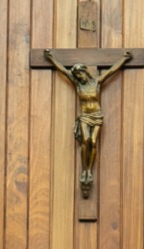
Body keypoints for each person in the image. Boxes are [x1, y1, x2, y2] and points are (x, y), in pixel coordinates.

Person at [43, 49, 132, 197]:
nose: (79, 76)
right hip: (84, 116)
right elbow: (63, 71)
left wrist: (124, 59)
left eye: (80, 74)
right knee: (85, 141)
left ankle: (89, 170)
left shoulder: (96, 82)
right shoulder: (78, 85)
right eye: (77, 75)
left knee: (93, 141)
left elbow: (111, 71)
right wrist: (51, 58)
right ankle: (84, 170)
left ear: (85, 72)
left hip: (97, 116)